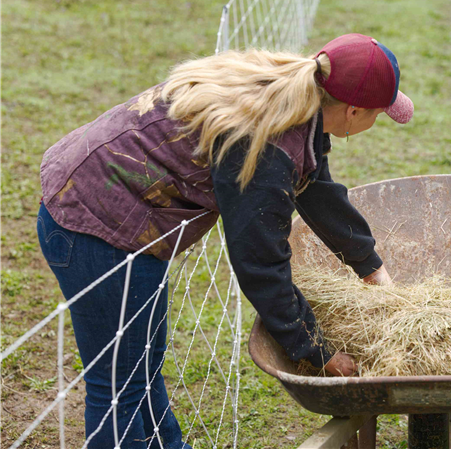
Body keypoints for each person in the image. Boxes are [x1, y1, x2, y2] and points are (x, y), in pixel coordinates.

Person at [36, 33, 413, 448]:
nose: (375, 123)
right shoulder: (265, 144)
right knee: (118, 390)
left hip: (122, 213)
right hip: (94, 224)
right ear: (354, 111)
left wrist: (372, 270)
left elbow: (316, 188)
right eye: (378, 113)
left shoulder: (298, 94)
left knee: (141, 369)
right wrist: (317, 351)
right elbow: (261, 262)